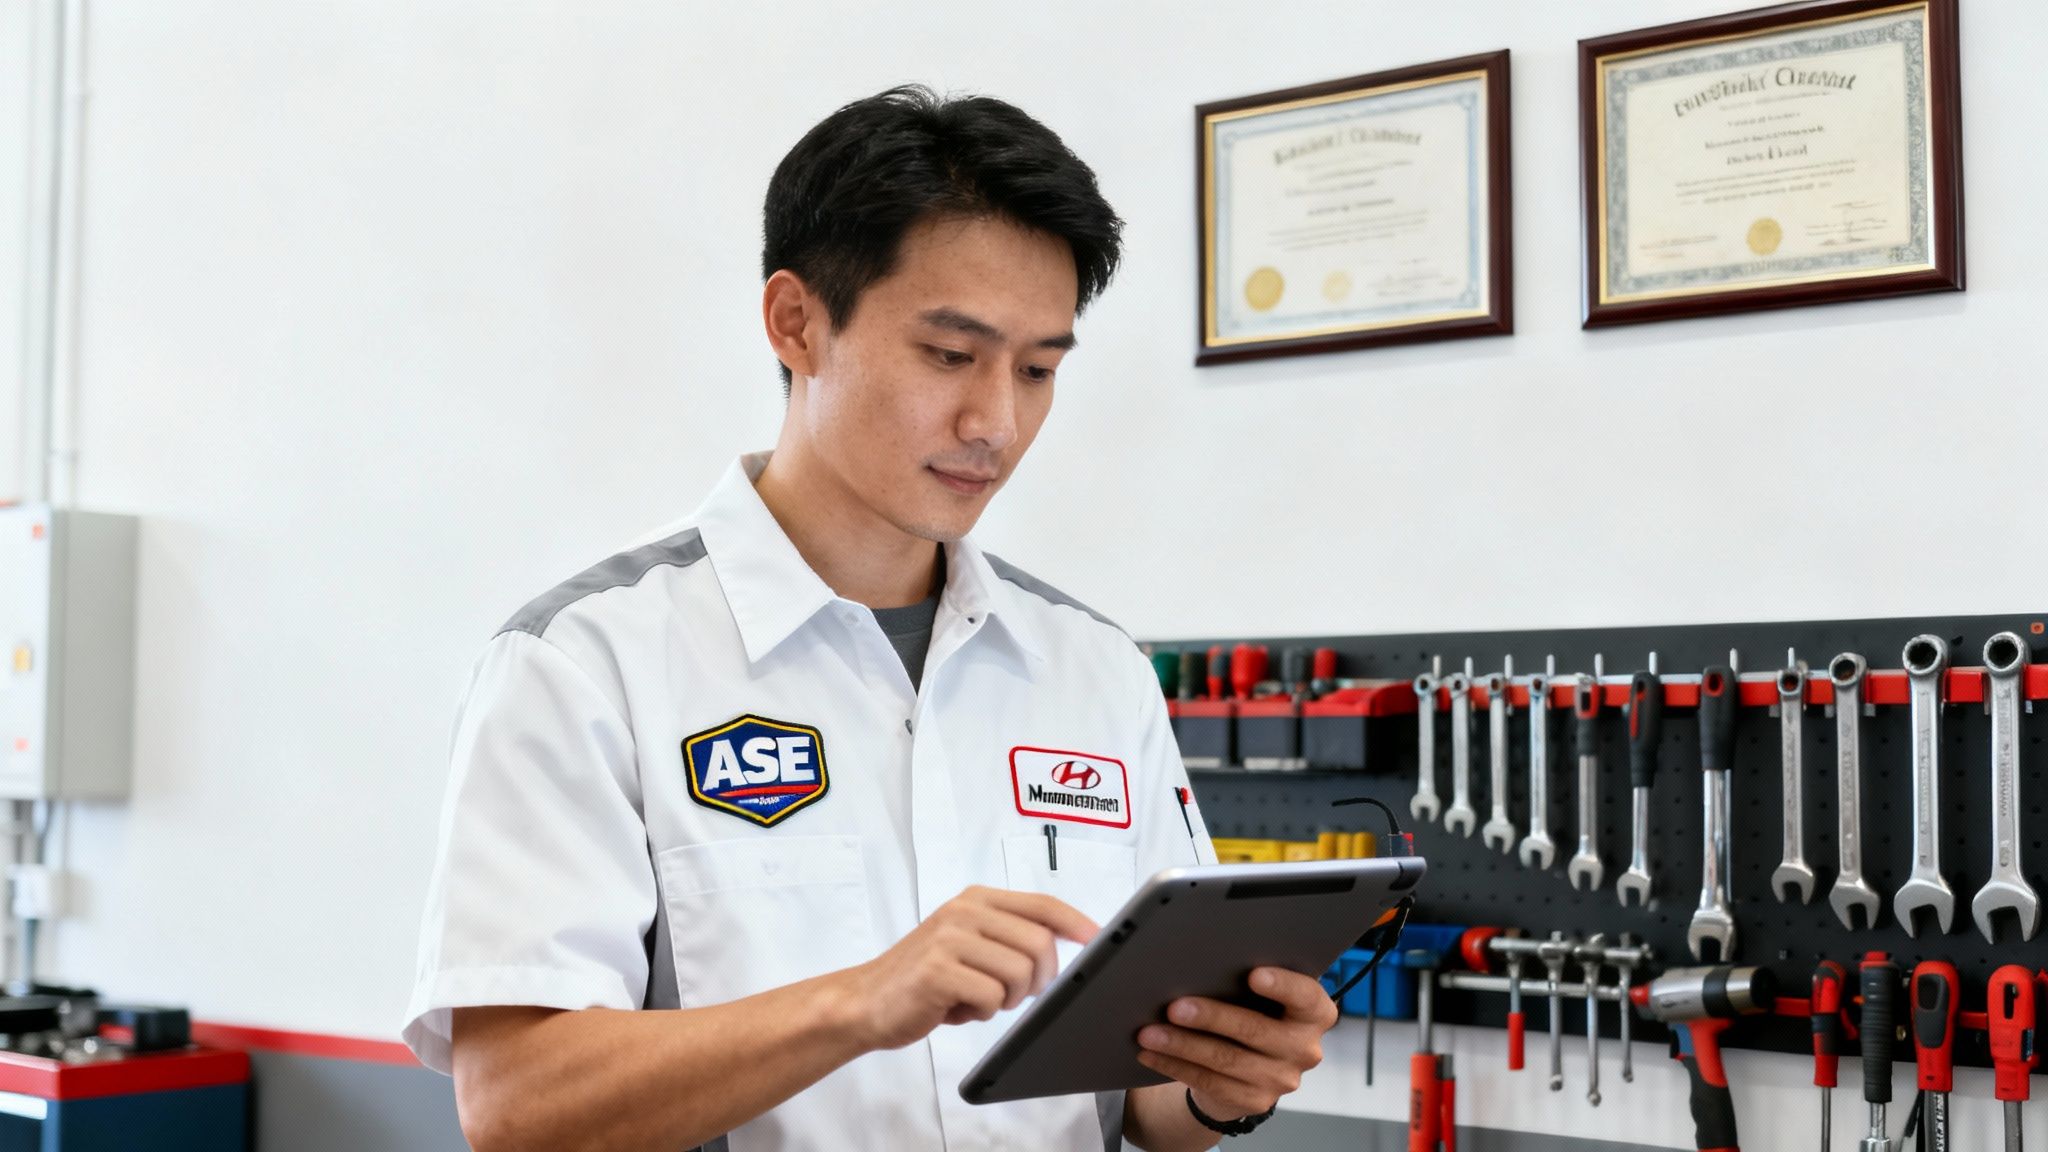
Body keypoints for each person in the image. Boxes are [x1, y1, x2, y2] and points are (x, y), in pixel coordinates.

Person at [403, 85, 1336, 1152]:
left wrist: (1225, 1081)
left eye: (1038, 370)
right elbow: (517, 1106)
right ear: (796, 324)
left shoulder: (1096, 669)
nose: (996, 421)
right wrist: (859, 1002)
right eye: (950, 356)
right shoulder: (586, 664)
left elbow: (1145, 1110)